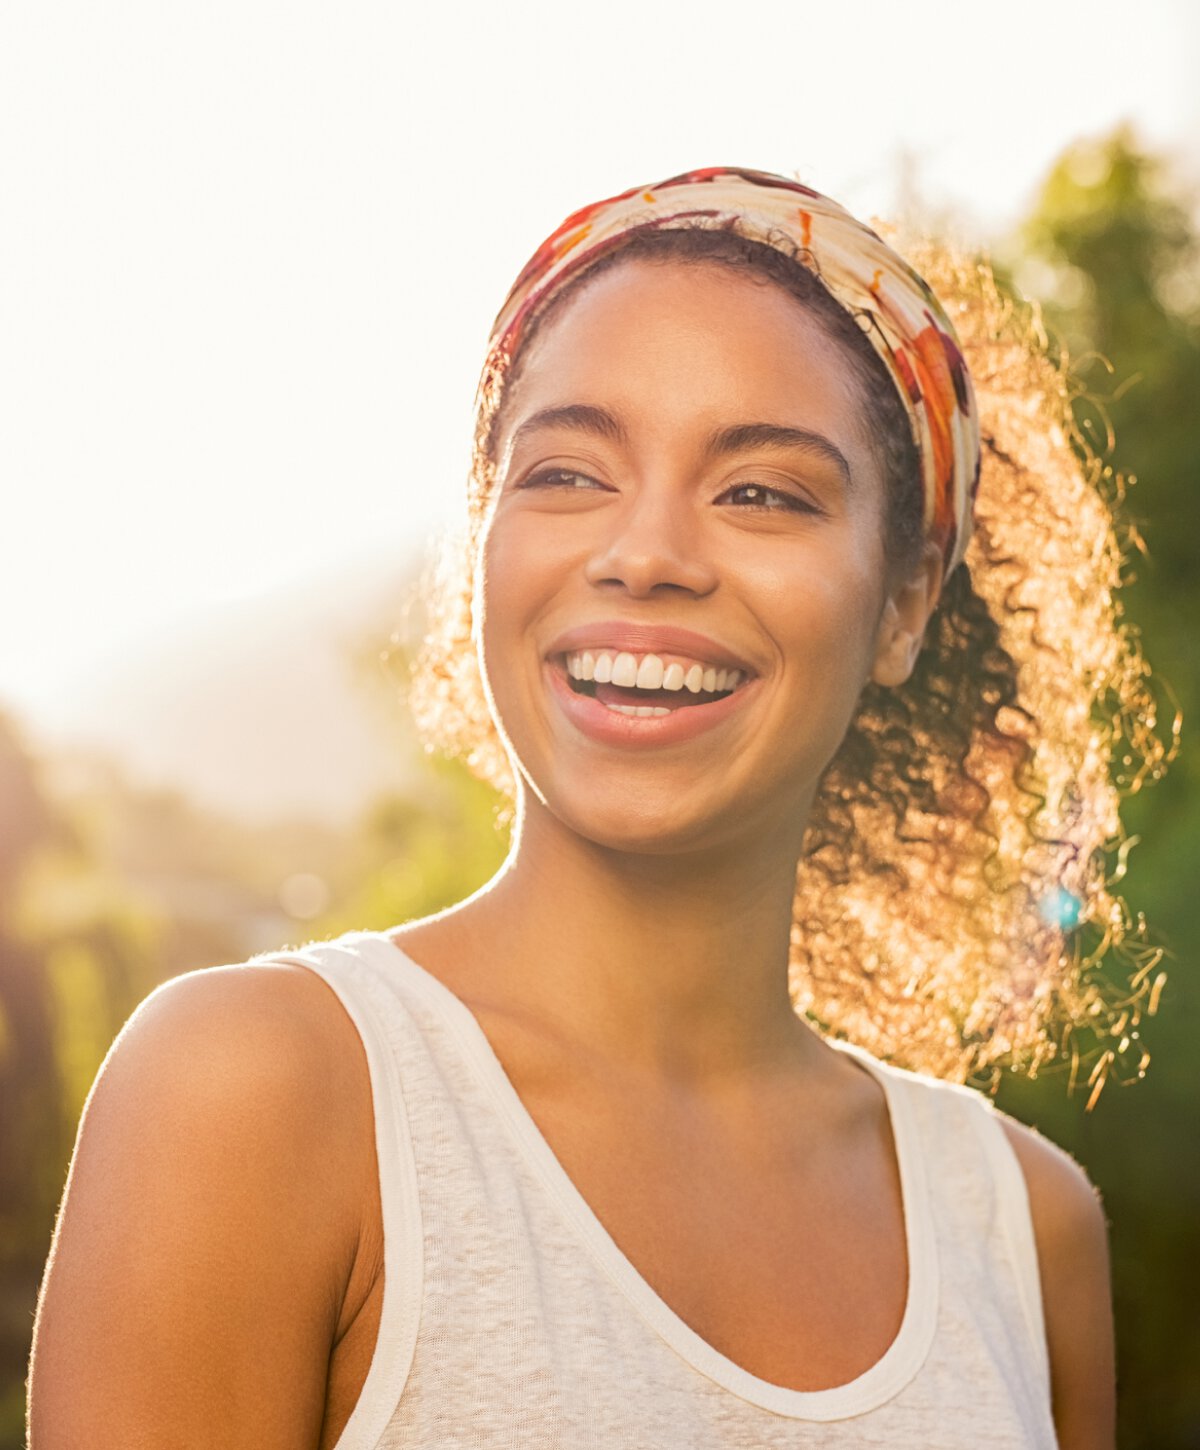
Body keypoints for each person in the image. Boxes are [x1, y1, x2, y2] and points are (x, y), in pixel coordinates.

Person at [32, 164, 1168, 1448]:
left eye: (762, 492)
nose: (644, 554)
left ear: (904, 601)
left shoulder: (1023, 1228)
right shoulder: (257, 1092)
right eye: (567, 473)